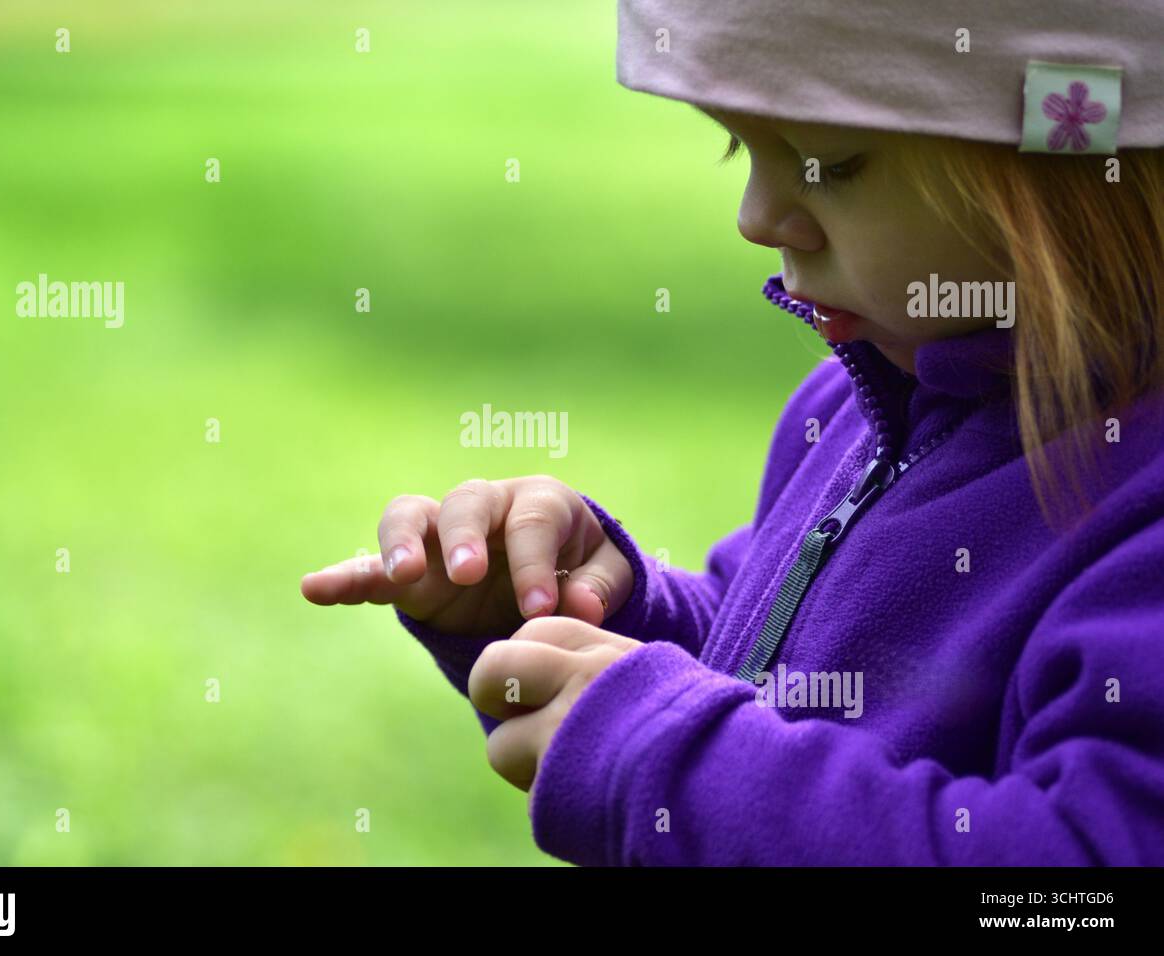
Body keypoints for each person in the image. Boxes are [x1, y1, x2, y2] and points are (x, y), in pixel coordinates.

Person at [302, 0, 1164, 864]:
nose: (756, 216)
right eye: (739, 146)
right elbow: (767, 667)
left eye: (832, 161)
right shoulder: (855, 404)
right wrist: (588, 614)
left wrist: (670, 757)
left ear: (1079, 157)